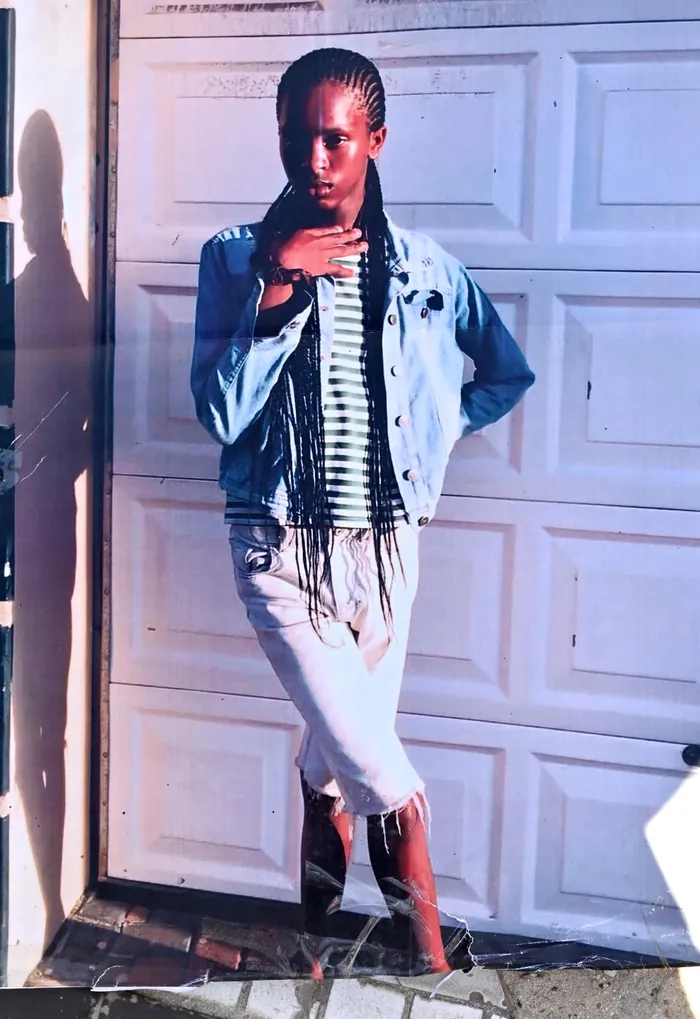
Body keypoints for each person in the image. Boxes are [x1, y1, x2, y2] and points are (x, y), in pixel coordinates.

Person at [191, 46, 535, 977]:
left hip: (385, 554)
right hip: (280, 552)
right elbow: (220, 412)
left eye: (335, 139)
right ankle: (433, 969)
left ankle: (309, 958)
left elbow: (504, 371)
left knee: (331, 772)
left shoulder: (423, 270)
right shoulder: (235, 259)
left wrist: (434, 433)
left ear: (374, 140)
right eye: (296, 138)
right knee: (388, 780)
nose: (314, 159)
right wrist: (279, 284)